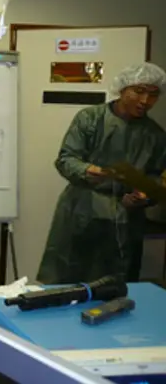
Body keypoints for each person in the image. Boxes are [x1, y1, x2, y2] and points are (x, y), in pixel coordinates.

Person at [37, 62, 166, 286]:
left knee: (115, 285)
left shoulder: (155, 135)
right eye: (139, 91)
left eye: (153, 95)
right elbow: (66, 159)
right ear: (122, 89)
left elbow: (155, 176)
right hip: (82, 210)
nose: (145, 100)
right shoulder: (90, 118)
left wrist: (143, 196)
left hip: (125, 219)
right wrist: (88, 170)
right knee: (68, 279)